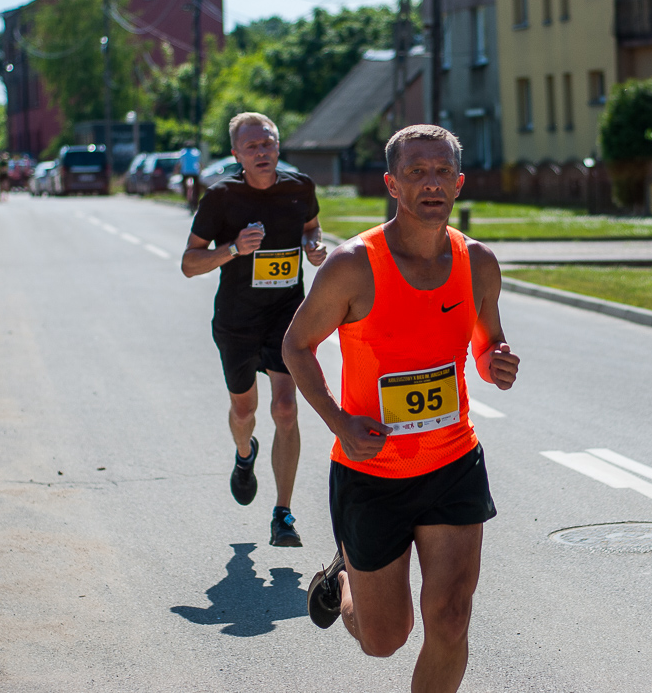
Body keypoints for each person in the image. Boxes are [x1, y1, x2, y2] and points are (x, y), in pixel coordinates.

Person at [282, 124, 520, 693]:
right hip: (371, 472)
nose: (430, 183)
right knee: (383, 638)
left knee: (451, 617)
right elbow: (295, 345)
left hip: (453, 462)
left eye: (442, 172)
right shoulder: (352, 265)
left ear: (459, 183)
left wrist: (496, 364)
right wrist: (339, 422)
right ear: (392, 183)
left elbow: (486, 344)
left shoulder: (478, 263)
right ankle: (345, 579)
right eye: (416, 172)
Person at [180, 112, 327, 547]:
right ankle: (245, 455)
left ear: (278, 147)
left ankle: (283, 513)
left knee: (285, 409)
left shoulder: (299, 187)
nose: (261, 152)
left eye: (267, 144)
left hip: (286, 316)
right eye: (251, 147)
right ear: (236, 155)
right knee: (245, 412)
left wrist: (313, 245)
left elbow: (311, 227)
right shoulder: (221, 197)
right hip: (237, 321)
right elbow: (189, 263)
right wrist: (232, 249)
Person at [180, 144, 201, 211]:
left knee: (184, 185)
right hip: (194, 172)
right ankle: (196, 200)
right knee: (196, 187)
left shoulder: (183, 152)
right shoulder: (196, 152)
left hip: (185, 172)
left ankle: (185, 195)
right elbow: (200, 163)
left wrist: (176, 170)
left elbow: (179, 163)